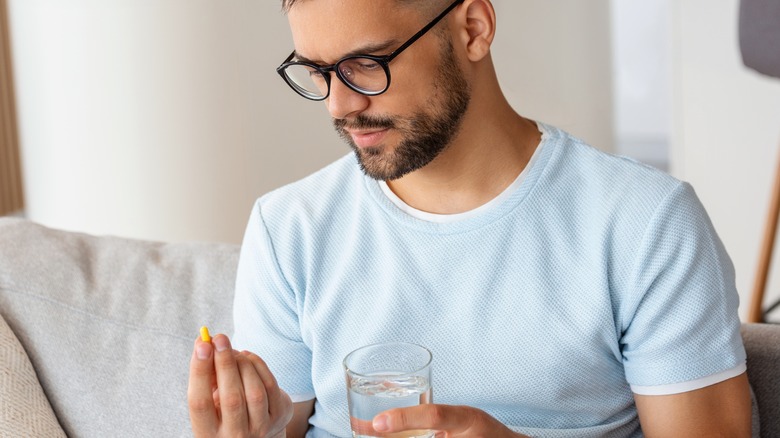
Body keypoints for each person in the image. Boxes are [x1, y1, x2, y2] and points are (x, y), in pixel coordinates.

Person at [187, 0, 752, 436]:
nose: (340, 105)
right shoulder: (288, 228)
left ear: (474, 29)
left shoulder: (645, 224)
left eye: (366, 64)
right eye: (317, 71)